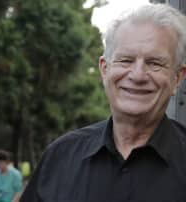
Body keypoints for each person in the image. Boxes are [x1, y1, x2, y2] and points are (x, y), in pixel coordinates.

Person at [20, 3, 186, 202]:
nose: (138, 75)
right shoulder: (59, 158)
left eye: (155, 63)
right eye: (125, 60)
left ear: (177, 78)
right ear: (104, 70)